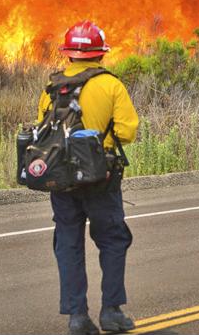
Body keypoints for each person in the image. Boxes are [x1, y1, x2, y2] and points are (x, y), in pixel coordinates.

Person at [37, 20, 139, 335]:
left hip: (61, 179)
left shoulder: (52, 87)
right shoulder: (111, 85)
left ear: (69, 53)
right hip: (100, 177)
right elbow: (127, 131)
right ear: (100, 53)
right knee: (112, 239)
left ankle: (77, 318)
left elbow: (42, 128)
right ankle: (111, 311)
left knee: (67, 242)